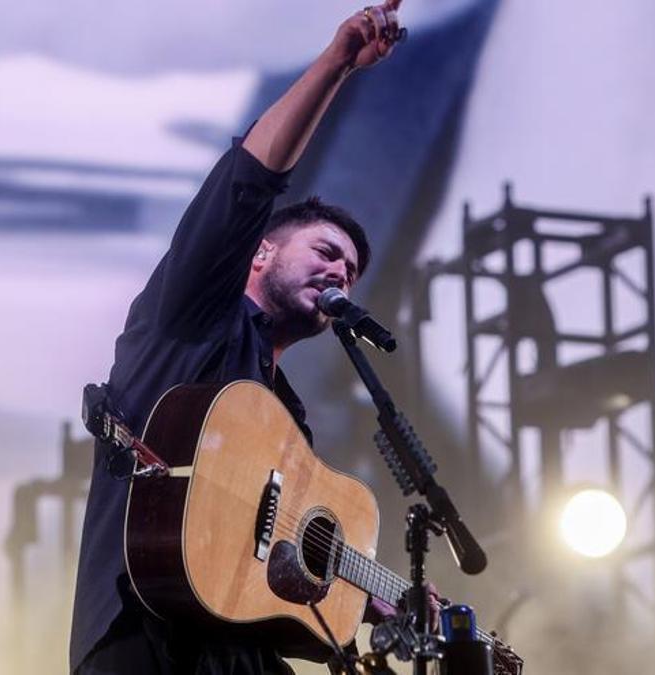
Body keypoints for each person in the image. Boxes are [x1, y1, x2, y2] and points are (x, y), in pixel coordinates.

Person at [70, 4, 409, 673]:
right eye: (325, 250)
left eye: (350, 269)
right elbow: (247, 184)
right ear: (258, 255)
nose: (340, 269)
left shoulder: (288, 425)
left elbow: (274, 586)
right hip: (146, 637)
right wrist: (336, 63)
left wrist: (371, 593)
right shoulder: (190, 318)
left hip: (237, 653)